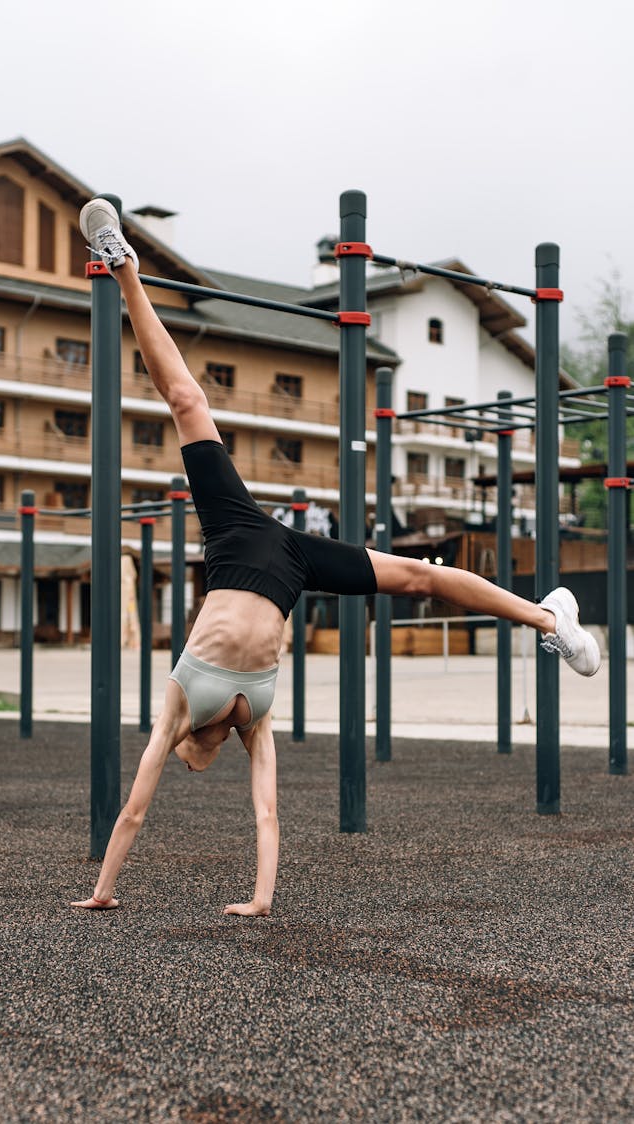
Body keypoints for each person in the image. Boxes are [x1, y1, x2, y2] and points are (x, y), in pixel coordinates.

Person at [71, 199, 600, 915]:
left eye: (185, 765)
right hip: (290, 564)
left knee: (188, 402)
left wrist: (102, 892)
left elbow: (133, 811)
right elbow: (266, 815)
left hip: (232, 541)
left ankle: (122, 262)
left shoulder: (174, 708)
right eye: (199, 765)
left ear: (186, 749)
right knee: (421, 576)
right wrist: (259, 901)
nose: (194, 768)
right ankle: (549, 618)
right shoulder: (253, 722)